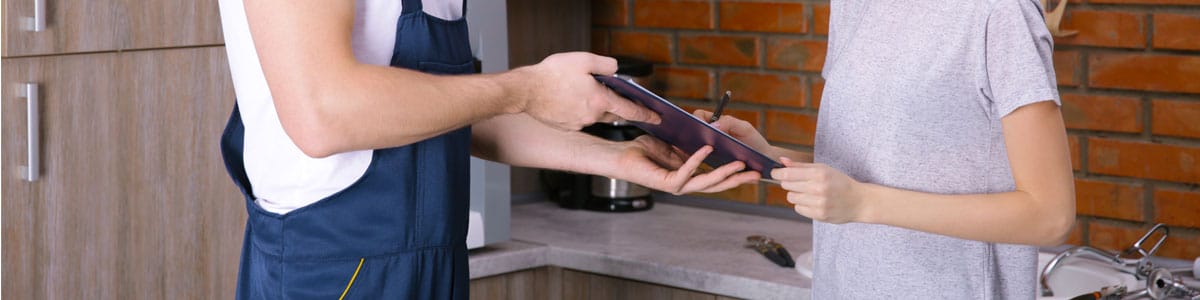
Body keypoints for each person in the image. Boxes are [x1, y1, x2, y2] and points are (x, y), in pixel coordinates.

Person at [215, 0, 759, 298]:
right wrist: (526, 88)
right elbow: (323, 115)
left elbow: (448, 110)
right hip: (335, 269)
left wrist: (614, 159)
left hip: (435, 260)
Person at [694, 0, 1075, 298]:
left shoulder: (1000, 11)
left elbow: (1050, 216)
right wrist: (769, 157)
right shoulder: (854, 5)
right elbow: (877, 165)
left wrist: (862, 203)